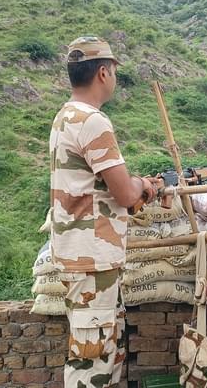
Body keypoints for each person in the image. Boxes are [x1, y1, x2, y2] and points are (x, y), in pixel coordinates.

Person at [49, 36, 158, 387]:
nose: (114, 78)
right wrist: (144, 184)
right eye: (113, 71)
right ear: (103, 72)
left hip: (83, 253)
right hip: (91, 256)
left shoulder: (65, 115)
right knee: (92, 360)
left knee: (104, 351)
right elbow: (125, 193)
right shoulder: (93, 121)